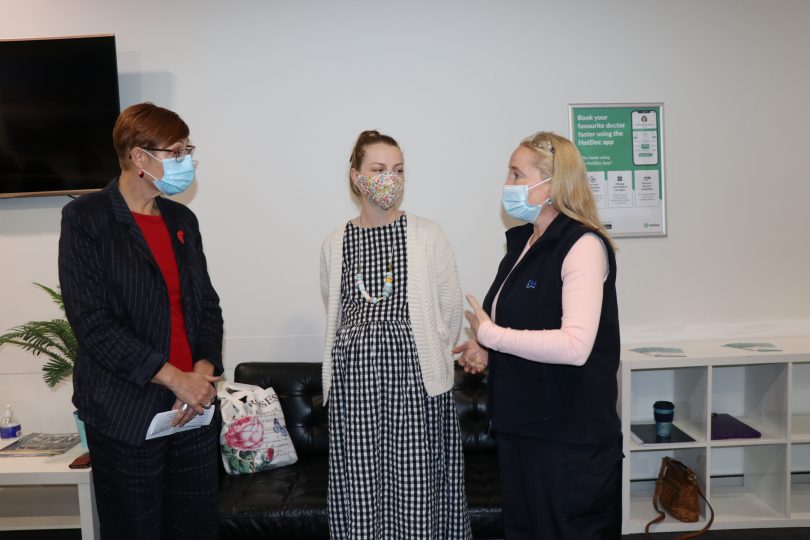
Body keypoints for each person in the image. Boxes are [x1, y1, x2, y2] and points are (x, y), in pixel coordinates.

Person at [58, 102, 223, 540]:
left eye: (187, 150)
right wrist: (173, 378)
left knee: (196, 529)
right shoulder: (86, 219)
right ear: (138, 156)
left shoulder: (182, 219)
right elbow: (92, 323)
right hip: (125, 412)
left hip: (193, 412)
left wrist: (201, 375)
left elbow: (207, 305)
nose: (185, 161)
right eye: (175, 152)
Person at [454, 131, 622, 539]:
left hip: (568, 440)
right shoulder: (523, 244)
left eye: (517, 173)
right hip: (522, 431)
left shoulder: (582, 244)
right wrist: (485, 349)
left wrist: (492, 336)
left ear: (552, 183)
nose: (508, 184)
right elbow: (523, 329)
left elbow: (574, 346)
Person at [321, 130, 471, 539]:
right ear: (356, 176)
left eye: (399, 169)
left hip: (416, 390)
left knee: (418, 487)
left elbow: (450, 311)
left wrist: (422, 355)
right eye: (379, 169)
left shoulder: (428, 234)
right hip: (355, 396)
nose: (391, 178)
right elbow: (336, 315)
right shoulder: (335, 245)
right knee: (361, 488)